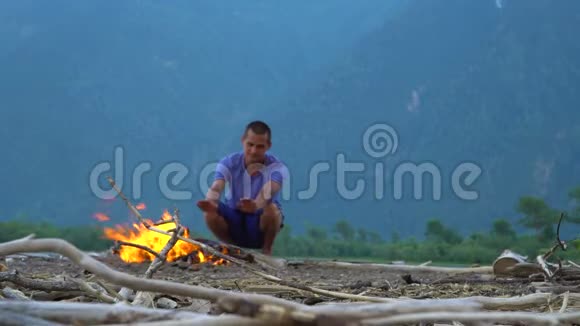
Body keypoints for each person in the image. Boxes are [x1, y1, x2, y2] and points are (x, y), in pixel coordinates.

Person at [196, 121, 286, 255]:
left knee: (272, 209)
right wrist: (210, 201)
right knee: (210, 213)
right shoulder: (228, 162)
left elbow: (268, 191)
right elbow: (216, 186)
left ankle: (267, 250)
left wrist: (255, 205)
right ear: (243, 141)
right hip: (234, 218)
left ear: (268, 146)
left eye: (260, 146)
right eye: (250, 145)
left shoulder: (277, 167)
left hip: (258, 223)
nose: (254, 151)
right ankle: (230, 249)